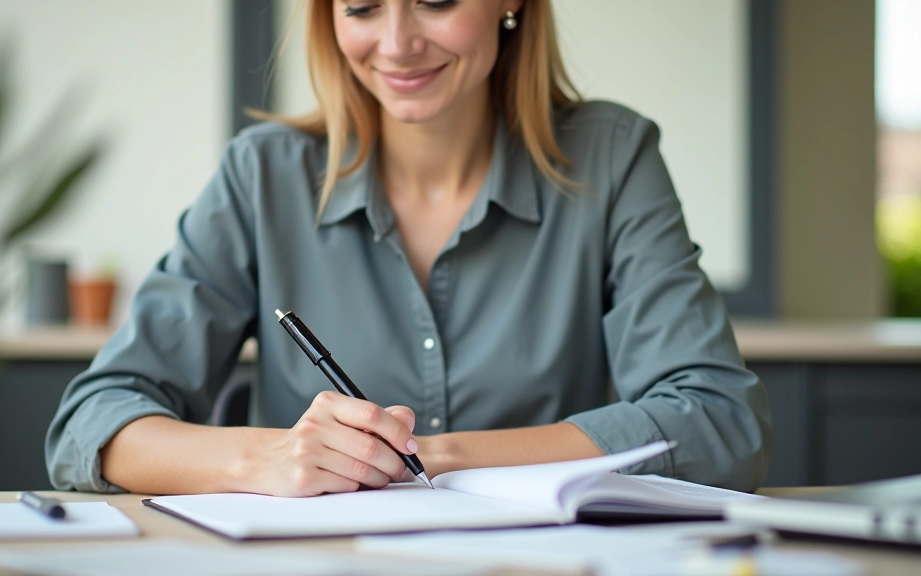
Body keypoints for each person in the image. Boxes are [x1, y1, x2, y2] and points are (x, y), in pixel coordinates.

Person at [46, 0, 772, 497]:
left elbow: (720, 421)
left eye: (435, 0)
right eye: (361, 7)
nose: (395, 43)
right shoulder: (262, 175)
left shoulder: (614, 160)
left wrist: (435, 456)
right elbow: (93, 421)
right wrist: (265, 457)